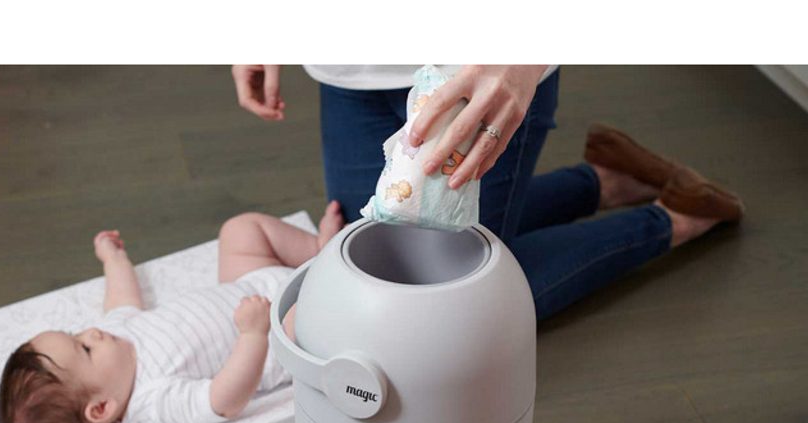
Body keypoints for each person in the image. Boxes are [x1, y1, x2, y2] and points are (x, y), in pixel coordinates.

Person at [231, 65, 744, 321]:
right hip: (349, 70)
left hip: (482, 72)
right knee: (376, 266)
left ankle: (672, 216)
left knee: (458, 314)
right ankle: (604, 180)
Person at [0, 203, 345, 423]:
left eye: (76, 334)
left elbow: (121, 296)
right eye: (84, 349)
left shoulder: (115, 334)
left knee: (240, 231)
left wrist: (113, 259)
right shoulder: (153, 399)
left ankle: (316, 251)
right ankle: (334, 273)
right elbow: (223, 401)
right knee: (303, 318)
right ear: (101, 408)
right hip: (275, 332)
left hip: (247, 286)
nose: (92, 334)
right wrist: (252, 335)